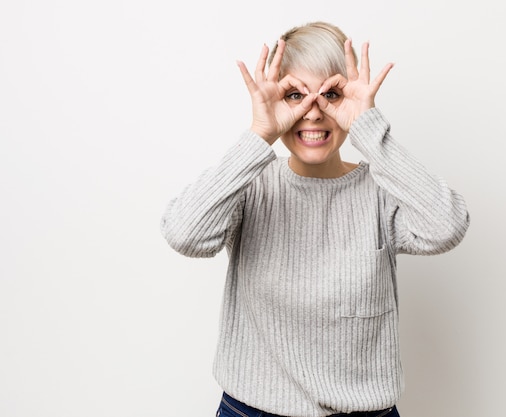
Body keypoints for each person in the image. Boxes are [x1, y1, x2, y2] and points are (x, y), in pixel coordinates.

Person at [161, 21, 470, 417]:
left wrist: (367, 127)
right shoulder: (252, 185)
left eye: (331, 94)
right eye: (294, 95)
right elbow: (184, 234)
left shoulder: (379, 192)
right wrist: (260, 132)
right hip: (252, 410)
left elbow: (447, 226)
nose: (313, 111)